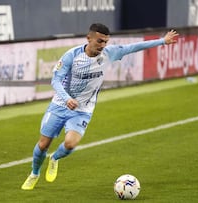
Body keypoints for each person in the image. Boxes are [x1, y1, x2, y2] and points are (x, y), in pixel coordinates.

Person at [21, 23, 178, 190]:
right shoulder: (71, 56)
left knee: (70, 144)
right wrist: (67, 99)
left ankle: (54, 159)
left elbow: (133, 47)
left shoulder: (109, 54)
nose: (103, 45)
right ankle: (34, 174)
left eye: (105, 42)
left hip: (83, 110)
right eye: (100, 41)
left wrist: (162, 41)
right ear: (89, 38)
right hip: (60, 105)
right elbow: (55, 81)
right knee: (43, 144)